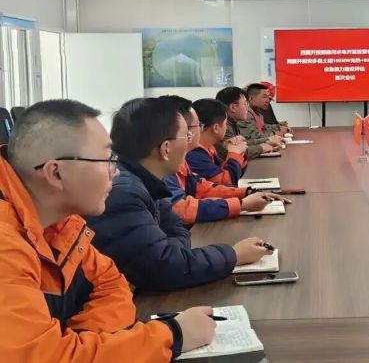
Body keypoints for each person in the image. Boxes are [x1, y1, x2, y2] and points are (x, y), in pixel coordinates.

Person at [0, 99, 215, 360]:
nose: (115, 172)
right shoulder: (6, 245)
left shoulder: (63, 224)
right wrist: (173, 336)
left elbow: (112, 284)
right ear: (55, 173)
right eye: (106, 159)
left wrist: (83, 344)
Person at [85, 97, 269, 292]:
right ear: (166, 149)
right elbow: (164, 268)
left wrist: (174, 255)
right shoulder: (124, 193)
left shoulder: (149, 181)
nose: (191, 143)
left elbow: (177, 230)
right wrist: (234, 255)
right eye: (186, 136)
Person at [161, 95, 287, 225]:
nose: (200, 129)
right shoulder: (192, 155)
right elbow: (226, 181)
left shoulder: (187, 156)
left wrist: (246, 193)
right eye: (198, 125)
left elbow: (201, 188)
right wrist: (241, 204)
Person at [187, 98, 250, 186]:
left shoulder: (209, 147)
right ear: (216, 128)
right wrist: (234, 153)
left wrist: (239, 152)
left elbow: (225, 172)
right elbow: (227, 182)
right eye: (225, 123)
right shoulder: (194, 154)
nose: (226, 128)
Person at [216, 86, 279, 160]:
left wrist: (267, 141)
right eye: (245, 104)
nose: (247, 108)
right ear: (233, 107)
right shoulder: (223, 125)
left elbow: (243, 144)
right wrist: (262, 148)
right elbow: (234, 152)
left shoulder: (232, 122)